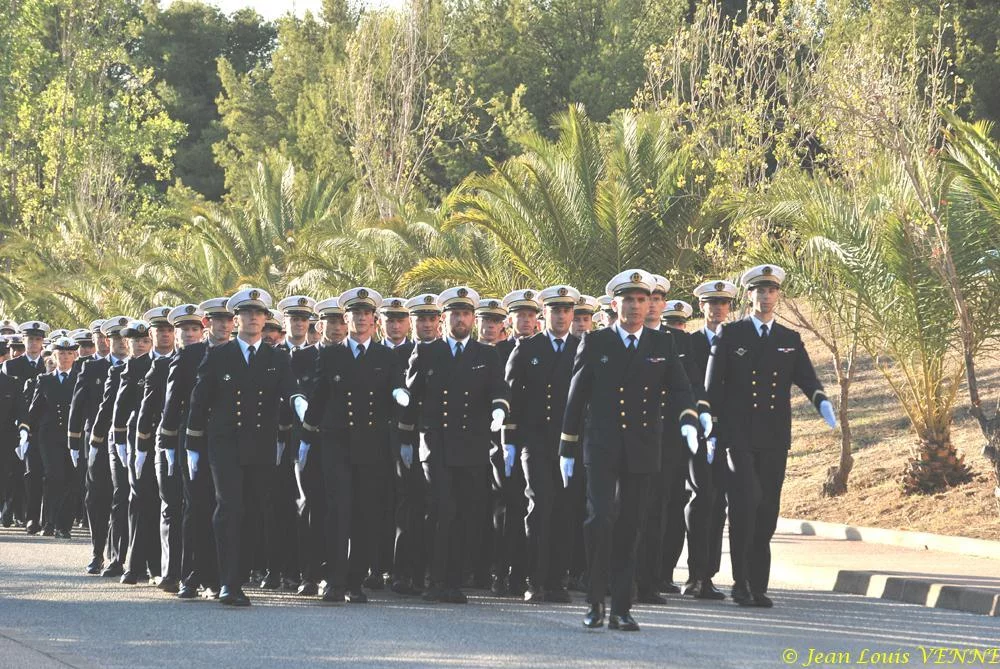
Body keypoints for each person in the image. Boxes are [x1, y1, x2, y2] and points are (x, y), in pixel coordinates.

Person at [559, 269, 699, 632]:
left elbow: (681, 388)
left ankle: (622, 607)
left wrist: (687, 419)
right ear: (614, 303)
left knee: (631, 525)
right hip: (602, 446)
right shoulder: (596, 343)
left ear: (650, 304)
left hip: (642, 448)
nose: (636, 306)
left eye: (642, 299)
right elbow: (577, 398)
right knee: (599, 518)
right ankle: (594, 602)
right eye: (629, 299)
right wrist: (567, 446)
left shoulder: (661, 345)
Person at [705, 264, 837, 607]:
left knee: (767, 509)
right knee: (745, 501)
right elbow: (713, 385)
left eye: (771, 291)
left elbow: (807, 377)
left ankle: (758, 584)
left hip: (775, 436)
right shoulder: (731, 335)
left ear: (778, 295)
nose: (765, 297)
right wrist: (711, 426)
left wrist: (821, 400)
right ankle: (741, 583)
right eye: (759, 291)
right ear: (749, 295)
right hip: (738, 436)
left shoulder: (788, 340)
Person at [185, 288, 298, 607]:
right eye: (246, 314)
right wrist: (193, 444)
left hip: (260, 445)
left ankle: (240, 574)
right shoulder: (220, 355)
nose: (252, 319)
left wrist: (300, 404)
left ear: (265, 320)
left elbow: (290, 389)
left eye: (258, 314)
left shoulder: (276, 357)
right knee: (229, 506)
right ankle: (227, 582)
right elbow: (199, 400)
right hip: (225, 444)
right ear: (237, 320)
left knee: (253, 511)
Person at [397, 286, 510, 603]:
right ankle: (435, 579)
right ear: (443, 319)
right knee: (442, 509)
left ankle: (453, 581)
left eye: (465, 314)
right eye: (454, 314)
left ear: (473, 319)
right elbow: (411, 398)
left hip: (472, 445)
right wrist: (406, 437)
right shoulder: (428, 352)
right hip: (437, 444)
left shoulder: (486, 354)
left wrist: (500, 410)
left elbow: (498, 389)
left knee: (464, 513)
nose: (460, 319)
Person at [296, 287, 401, 603]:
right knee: (337, 511)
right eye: (355, 314)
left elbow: (395, 393)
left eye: (366, 314)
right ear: (347, 318)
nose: (361, 319)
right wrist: (306, 436)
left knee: (366, 513)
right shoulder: (330, 354)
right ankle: (335, 580)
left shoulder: (387, 356)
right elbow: (319, 396)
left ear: (374, 319)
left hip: (372, 444)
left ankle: (356, 581)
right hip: (337, 442)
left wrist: (401, 398)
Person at [504, 284, 581, 603]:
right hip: (534, 441)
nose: (560, 316)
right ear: (543, 314)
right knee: (540, 506)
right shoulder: (527, 348)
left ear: (572, 314)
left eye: (565, 310)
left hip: (572, 444)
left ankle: (557, 580)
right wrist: (508, 441)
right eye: (554, 310)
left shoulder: (582, 347)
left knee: (565, 510)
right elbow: (510, 398)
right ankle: (534, 579)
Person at [157, 297, 234, 600]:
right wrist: (169, 444)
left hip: (227, 440)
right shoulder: (190, 356)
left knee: (223, 507)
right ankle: (191, 575)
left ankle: (218, 577)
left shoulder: (238, 355)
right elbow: (173, 403)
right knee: (196, 508)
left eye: (228, 321)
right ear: (208, 324)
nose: (223, 326)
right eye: (217, 321)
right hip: (194, 439)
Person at [137, 305, 202, 593]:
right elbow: (149, 409)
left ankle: (197, 572)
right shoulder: (161, 366)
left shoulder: (210, 360)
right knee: (172, 507)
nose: (188, 334)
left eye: (193, 329)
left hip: (199, 443)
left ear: (202, 332)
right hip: (168, 444)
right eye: (183, 330)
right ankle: (170, 571)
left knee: (198, 509)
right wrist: (142, 447)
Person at [684, 279, 738, 600]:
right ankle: (693, 573)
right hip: (696, 433)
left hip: (726, 435)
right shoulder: (690, 345)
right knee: (699, 499)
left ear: (729, 308)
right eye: (711, 304)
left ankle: (708, 574)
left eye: (723, 304)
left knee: (719, 505)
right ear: (702, 307)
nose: (717, 309)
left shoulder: (736, 343)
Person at [389, 294, 440, 595]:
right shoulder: (400, 354)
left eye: (430, 319)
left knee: (426, 506)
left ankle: (421, 573)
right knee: (405, 507)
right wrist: (406, 437)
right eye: (421, 319)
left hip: (430, 440)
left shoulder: (441, 353)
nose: (425, 324)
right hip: (402, 438)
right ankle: (400, 571)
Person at [113, 316, 164, 585]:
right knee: (140, 500)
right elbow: (121, 406)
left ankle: (158, 566)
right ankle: (135, 565)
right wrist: (120, 439)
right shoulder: (137, 366)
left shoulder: (176, 361)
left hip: (168, 438)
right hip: (140, 440)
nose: (144, 344)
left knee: (162, 503)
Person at [20, 336, 79, 538]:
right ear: (54, 356)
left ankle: (64, 525)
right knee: (54, 476)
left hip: (74, 435)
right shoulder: (44, 380)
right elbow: (34, 409)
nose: (65, 357)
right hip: (49, 436)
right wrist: (25, 430)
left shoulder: (80, 378)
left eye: (69, 353)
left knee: (71, 478)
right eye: (61, 353)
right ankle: (49, 522)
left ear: (75, 356)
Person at [5, 321, 50, 535]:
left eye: (37, 339)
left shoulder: (49, 363)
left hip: (44, 426)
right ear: (23, 341)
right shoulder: (12, 366)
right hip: (17, 427)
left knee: (37, 474)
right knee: (16, 473)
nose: (33, 343)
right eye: (30, 339)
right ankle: (15, 511)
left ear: (42, 343)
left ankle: (34, 517)